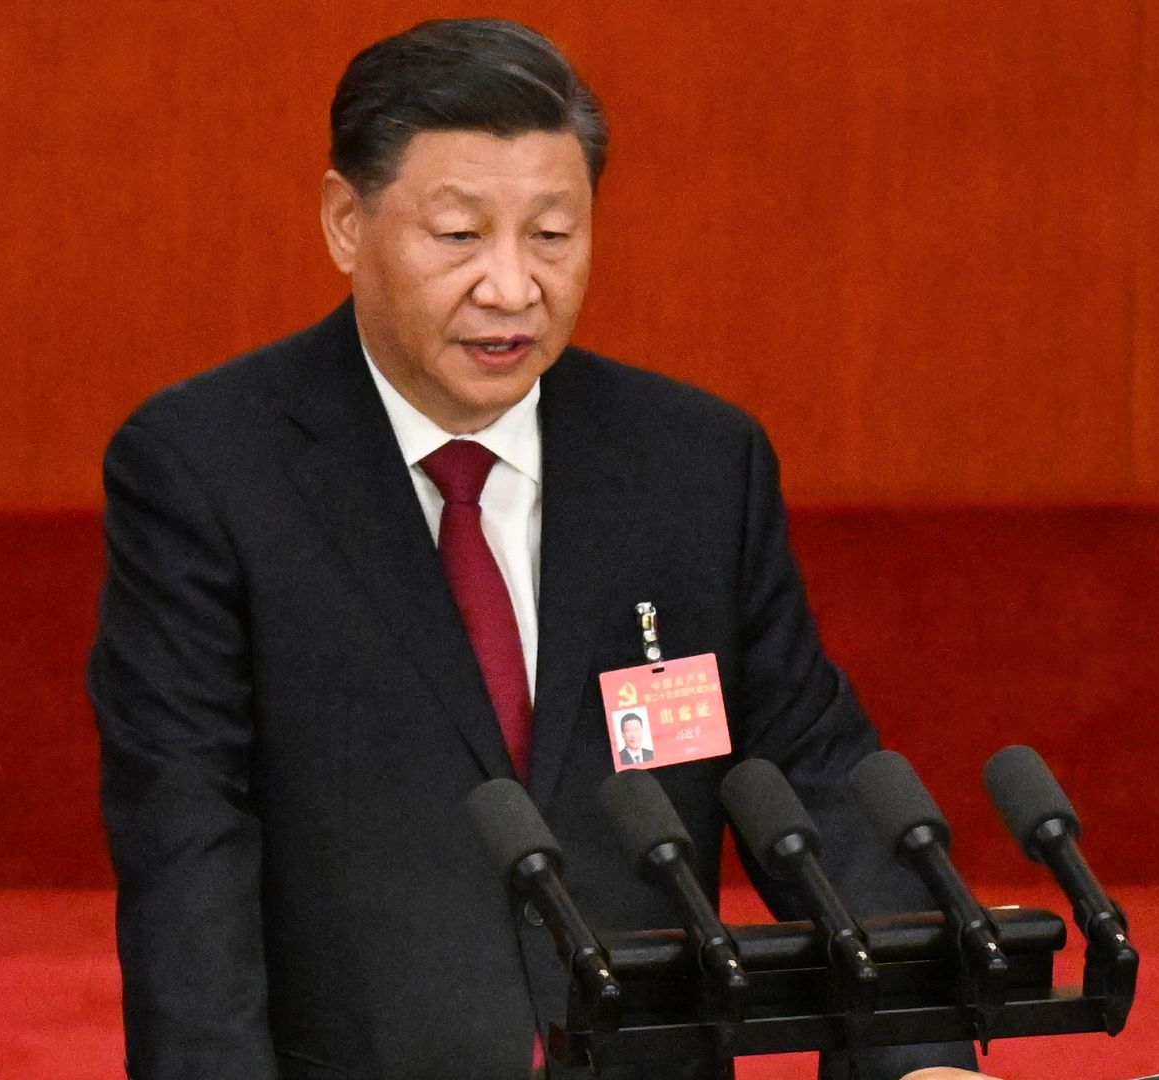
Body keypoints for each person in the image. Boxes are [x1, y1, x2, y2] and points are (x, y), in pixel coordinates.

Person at [89, 18, 997, 1080]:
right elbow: (189, 842)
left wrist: (922, 1048)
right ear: (346, 222)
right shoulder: (208, 469)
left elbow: (817, 781)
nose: (513, 289)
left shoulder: (692, 465)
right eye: (460, 235)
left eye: (553, 236)